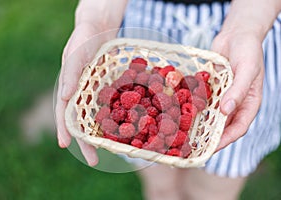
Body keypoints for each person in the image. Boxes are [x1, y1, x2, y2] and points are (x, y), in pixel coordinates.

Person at [56, 0, 281, 199]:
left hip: (245, 23)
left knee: (213, 192)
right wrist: (96, 20)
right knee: (161, 187)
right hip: (147, 25)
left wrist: (247, 27)